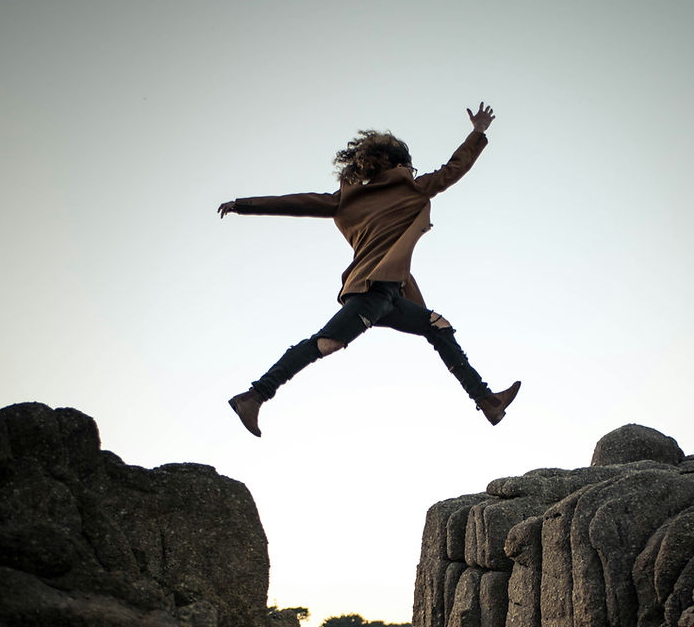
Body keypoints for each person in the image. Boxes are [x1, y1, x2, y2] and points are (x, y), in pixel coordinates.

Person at [219, 101, 520, 437]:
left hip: (390, 295)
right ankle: (255, 396)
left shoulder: (348, 199)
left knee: (438, 327)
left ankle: (487, 401)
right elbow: (454, 169)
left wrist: (243, 205)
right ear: (398, 164)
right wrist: (477, 132)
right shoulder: (409, 188)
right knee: (326, 342)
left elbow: (295, 202)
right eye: (409, 164)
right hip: (371, 291)